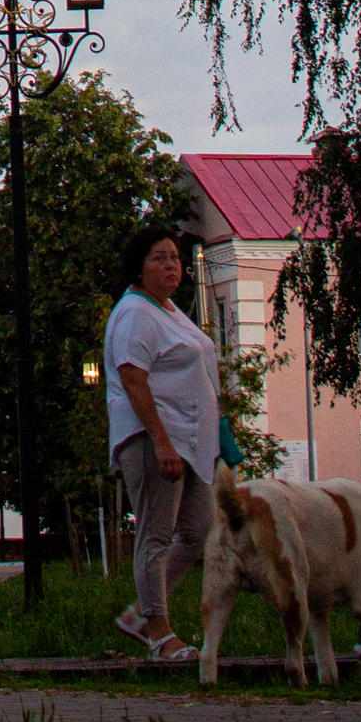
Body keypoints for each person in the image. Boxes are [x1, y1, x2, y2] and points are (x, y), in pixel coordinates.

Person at [103, 223, 226, 665]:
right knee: (155, 535)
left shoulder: (169, 309)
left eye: (174, 257)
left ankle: (141, 612)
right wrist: (161, 442)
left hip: (190, 443)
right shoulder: (136, 313)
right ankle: (158, 632)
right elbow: (133, 379)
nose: (171, 264)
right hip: (156, 441)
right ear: (139, 268)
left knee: (196, 529)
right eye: (159, 258)